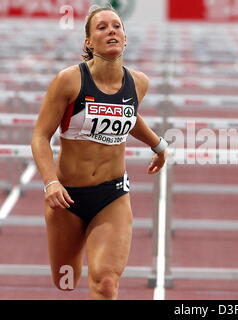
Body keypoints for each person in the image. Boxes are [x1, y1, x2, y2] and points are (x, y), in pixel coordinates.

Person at [31, 5, 168, 299]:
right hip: (66, 196)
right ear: (88, 42)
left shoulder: (138, 83)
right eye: (102, 27)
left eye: (116, 26)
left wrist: (158, 145)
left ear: (125, 37)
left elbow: (128, 115)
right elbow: (41, 137)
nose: (111, 31)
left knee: (105, 282)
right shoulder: (69, 81)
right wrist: (49, 182)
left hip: (112, 195)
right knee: (65, 280)